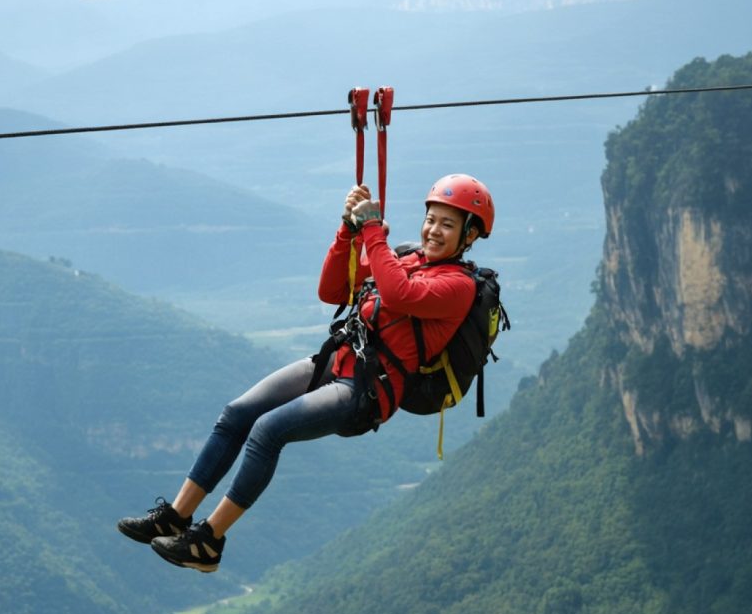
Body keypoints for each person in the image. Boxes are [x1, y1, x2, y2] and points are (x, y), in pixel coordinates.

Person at [117, 173, 496, 572]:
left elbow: (400, 294)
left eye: (447, 224)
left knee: (267, 431)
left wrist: (370, 230)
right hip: (339, 362)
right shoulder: (405, 258)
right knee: (237, 414)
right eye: (431, 219)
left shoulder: (458, 286)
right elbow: (333, 290)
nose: (433, 230)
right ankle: (177, 516)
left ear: (470, 235)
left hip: (367, 391)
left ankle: (209, 542)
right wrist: (348, 231)